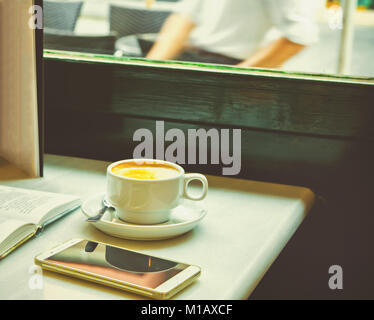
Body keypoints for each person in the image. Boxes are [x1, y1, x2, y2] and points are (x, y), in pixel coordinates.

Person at [146, 0, 321, 67]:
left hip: (235, 68)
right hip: (192, 62)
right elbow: (184, 17)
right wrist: (150, 69)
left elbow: (299, 35)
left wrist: (237, 82)